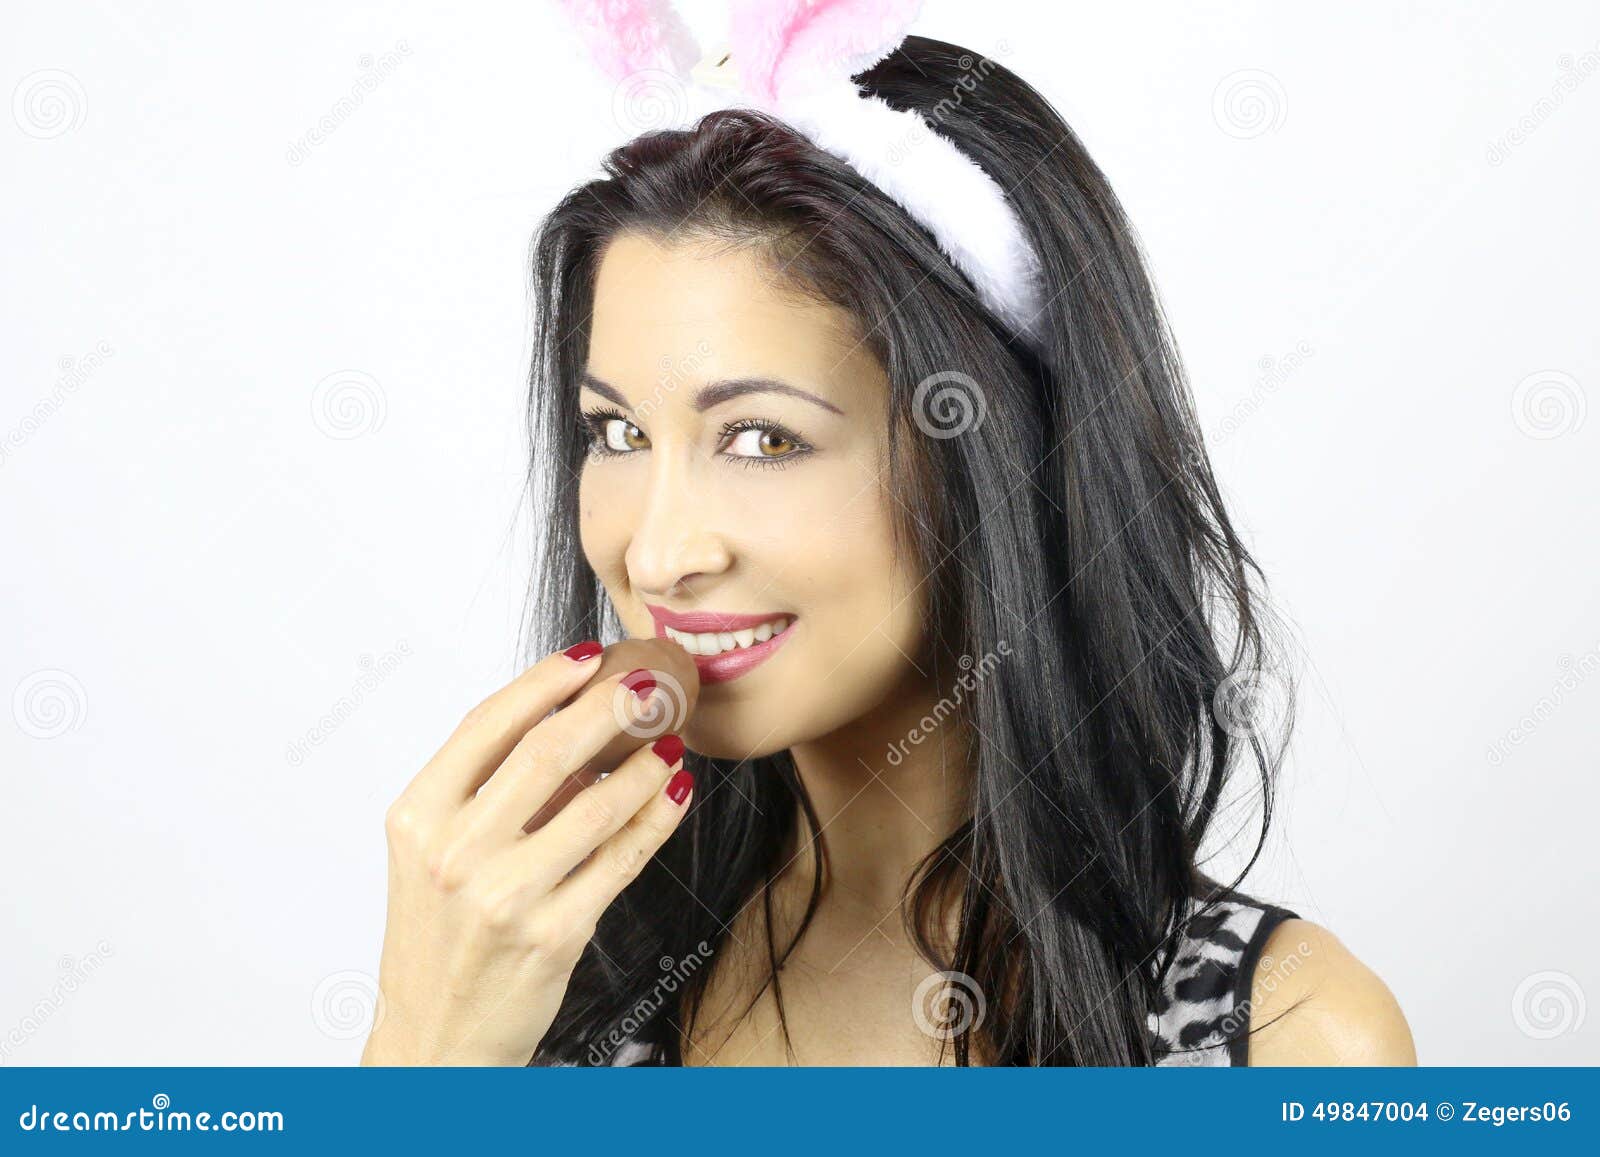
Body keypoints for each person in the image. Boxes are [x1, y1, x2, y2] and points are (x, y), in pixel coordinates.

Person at [362, 32, 1414, 1067]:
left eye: (763, 438)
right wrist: (423, 1053)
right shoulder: (542, 977)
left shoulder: (1276, 1039)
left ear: (992, 455)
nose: (656, 554)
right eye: (618, 433)